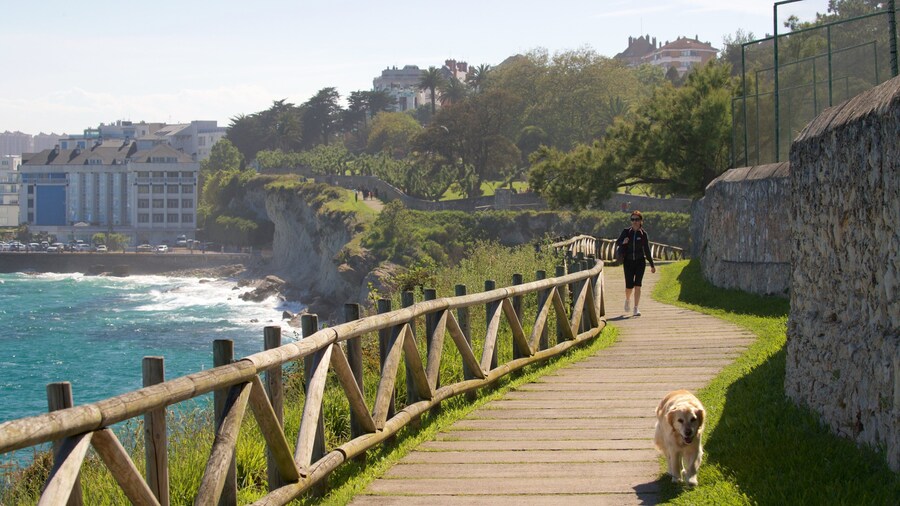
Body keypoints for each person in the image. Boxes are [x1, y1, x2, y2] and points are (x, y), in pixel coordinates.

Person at [616, 210, 656, 316]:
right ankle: (628, 299)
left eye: (636, 219)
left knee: (638, 285)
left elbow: (647, 250)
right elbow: (617, 242)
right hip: (628, 261)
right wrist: (623, 242)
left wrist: (652, 265)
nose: (634, 221)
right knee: (629, 286)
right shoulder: (626, 232)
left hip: (640, 262)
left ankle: (636, 308)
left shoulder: (643, 234)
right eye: (632, 219)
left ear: (641, 221)